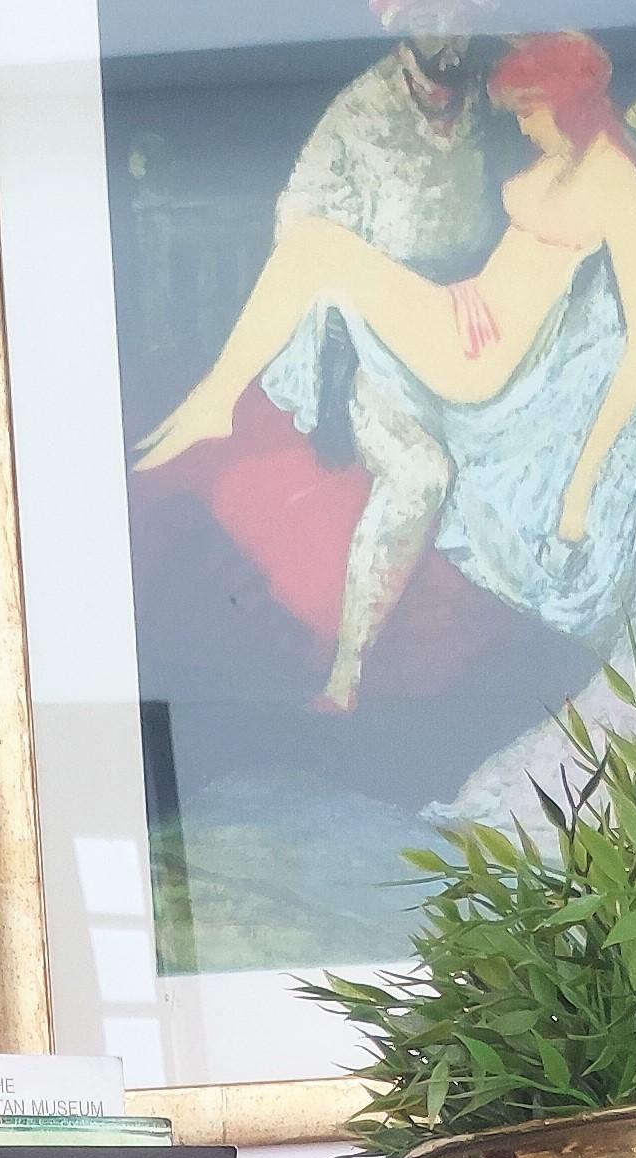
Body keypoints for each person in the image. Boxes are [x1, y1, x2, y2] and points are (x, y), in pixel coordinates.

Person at [137, 34, 636, 682]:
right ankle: (215, 400)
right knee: (316, 250)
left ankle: (214, 402)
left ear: (569, 102)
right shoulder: (565, 152)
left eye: (532, 110)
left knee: (314, 247)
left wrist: (580, 486)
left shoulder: (615, 176)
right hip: (464, 313)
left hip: (480, 362)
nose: (523, 125)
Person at [253, 10, 497, 714]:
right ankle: (346, 678)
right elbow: (298, 229)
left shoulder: (496, 96)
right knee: (421, 474)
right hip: (377, 337)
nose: (451, 38)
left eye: (464, 16)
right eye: (433, 18)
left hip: (484, 322)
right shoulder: (357, 115)